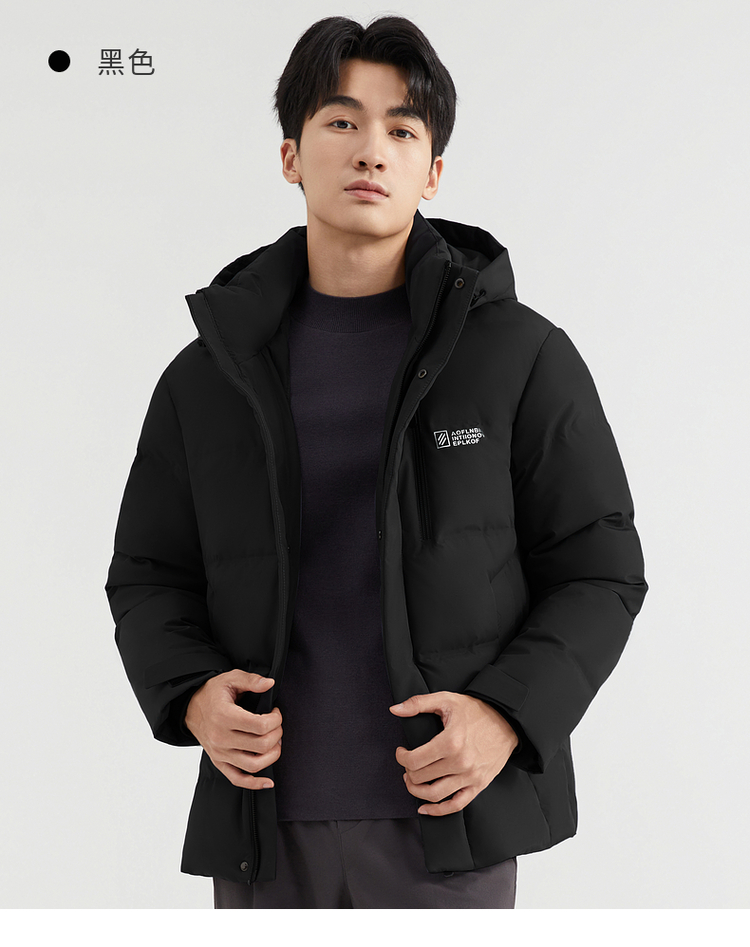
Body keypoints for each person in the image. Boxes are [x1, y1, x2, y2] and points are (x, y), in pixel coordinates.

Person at [105, 14, 648, 909]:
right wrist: (190, 691)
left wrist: (508, 714)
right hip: (263, 826)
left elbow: (601, 567)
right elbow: (147, 572)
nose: (371, 150)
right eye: (342, 121)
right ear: (291, 156)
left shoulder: (520, 356)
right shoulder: (207, 378)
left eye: (402, 129)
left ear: (433, 173)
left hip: (449, 822)